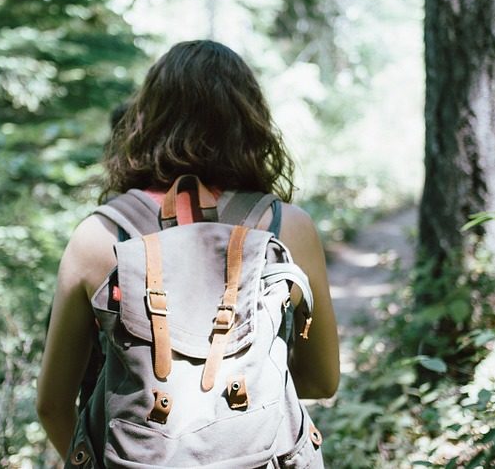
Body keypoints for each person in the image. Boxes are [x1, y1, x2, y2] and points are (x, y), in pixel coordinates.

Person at [36, 39, 339, 459]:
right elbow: (322, 381)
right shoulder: (288, 227)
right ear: (249, 123)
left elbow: (52, 404)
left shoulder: (100, 236)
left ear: (147, 120)